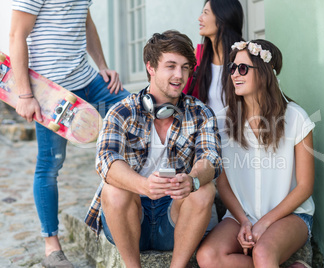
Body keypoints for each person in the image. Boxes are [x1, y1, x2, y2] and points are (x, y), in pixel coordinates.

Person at [84, 30, 222, 268]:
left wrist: (192, 180)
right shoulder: (121, 111)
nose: (179, 75)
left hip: (174, 218)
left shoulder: (200, 113)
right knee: (114, 189)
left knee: (204, 190)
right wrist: (143, 185)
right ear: (151, 67)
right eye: (171, 66)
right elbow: (105, 160)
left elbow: (210, 158)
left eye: (185, 67)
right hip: (130, 219)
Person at [9, 1, 130, 267]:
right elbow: (17, 35)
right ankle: (51, 245)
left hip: (89, 80)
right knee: (50, 164)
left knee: (135, 114)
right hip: (52, 94)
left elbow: (84, 21)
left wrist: (102, 65)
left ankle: (136, 206)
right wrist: (25, 94)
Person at [196, 39, 315, 268]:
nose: (234, 74)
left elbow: (305, 187)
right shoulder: (220, 122)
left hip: (291, 216)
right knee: (208, 257)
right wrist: (244, 221)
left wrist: (264, 223)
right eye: (232, 68)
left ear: (264, 73)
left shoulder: (296, 118)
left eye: (243, 68)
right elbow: (223, 185)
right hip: (241, 215)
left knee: (262, 253)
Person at [184, 0, 244, 114]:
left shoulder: (244, 56)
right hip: (206, 129)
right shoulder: (198, 55)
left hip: (237, 128)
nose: (200, 18)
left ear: (223, 18)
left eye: (205, 13)